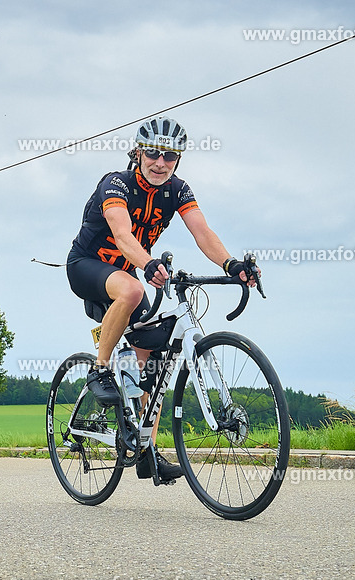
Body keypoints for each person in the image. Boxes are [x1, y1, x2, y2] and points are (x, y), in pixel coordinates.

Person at [66, 116, 257, 482]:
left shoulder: (178, 190)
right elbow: (122, 235)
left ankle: (145, 451)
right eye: (153, 153)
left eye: (170, 156)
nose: (160, 162)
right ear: (138, 152)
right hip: (88, 266)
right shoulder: (116, 183)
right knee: (134, 289)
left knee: (152, 360)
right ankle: (100, 368)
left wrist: (231, 264)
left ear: (178, 160)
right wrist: (148, 262)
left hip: (128, 271)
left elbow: (203, 232)